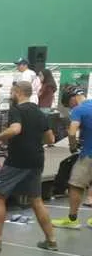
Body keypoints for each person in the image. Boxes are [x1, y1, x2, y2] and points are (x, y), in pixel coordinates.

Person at [0, 81, 57, 250]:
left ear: (18, 92)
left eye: (12, 91)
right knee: (36, 200)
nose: (11, 94)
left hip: (17, 161)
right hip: (37, 160)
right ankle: (51, 240)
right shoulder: (39, 112)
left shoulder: (16, 110)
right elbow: (50, 139)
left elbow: (15, 130)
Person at [52, 87, 92, 230]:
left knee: (75, 184)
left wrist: (73, 147)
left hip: (89, 153)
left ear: (72, 98)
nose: (70, 108)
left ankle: (72, 219)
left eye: (69, 104)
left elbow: (72, 132)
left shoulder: (78, 110)